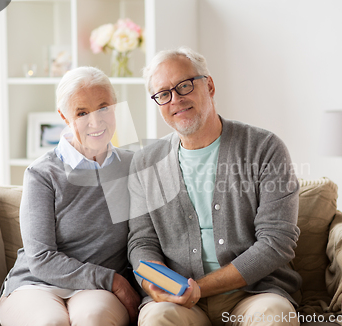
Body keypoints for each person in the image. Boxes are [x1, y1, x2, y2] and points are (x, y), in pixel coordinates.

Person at [128, 47, 302, 326]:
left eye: (184, 86)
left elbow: (276, 243)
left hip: (253, 293)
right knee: (155, 319)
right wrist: (154, 282)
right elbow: (141, 242)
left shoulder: (265, 148)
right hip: (177, 302)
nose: (176, 100)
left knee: (274, 318)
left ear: (208, 85)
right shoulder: (145, 163)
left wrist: (200, 289)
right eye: (163, 94)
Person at [0, 66, 140, 326]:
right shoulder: (41, 173)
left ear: (116, 106)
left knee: (93, 319)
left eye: (103, 107)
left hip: (95, 291)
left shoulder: (132, 166)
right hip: (35, 284)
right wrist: (113, 280)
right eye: (82, 113)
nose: (95, 122)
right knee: (50, 323)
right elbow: (41, 259)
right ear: (64, 116)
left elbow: (144, 237)